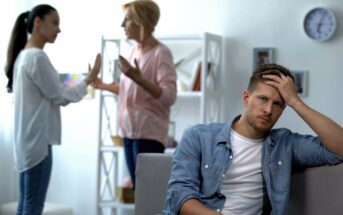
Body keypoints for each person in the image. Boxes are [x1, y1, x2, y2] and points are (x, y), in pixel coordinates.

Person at [163, 64, 343, 215]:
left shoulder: (285, 145)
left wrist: (296, 102)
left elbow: (339, 149)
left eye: (278, 104)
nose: (268, 110)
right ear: (246, 98)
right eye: (263, 99)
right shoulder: (199, 137)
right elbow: (180, 196)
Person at [4, 4, 101, 215]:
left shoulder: (23, 56)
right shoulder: (37, 57)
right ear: (38, 23)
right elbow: (61, 96)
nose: (59, 29)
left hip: (26, 143)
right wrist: (90, 79)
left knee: (26, 204)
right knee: (33, 206)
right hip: (38, 144)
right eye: (55, 23)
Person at [93, 0, 177, 189]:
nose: (122, 25)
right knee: (139, 193)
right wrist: (102, 85)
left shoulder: (161, 53)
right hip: (128, 132)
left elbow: (169, 96)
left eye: (127, 19)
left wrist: (138, 78)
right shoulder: (133, 51)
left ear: (142, 21)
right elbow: (129, 91)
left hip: (148, 134)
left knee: (148, 195)